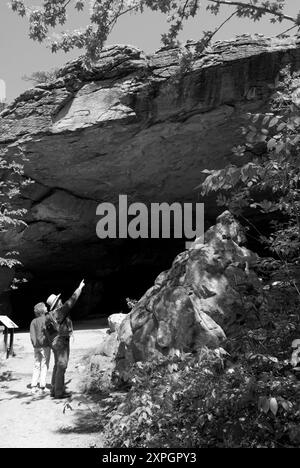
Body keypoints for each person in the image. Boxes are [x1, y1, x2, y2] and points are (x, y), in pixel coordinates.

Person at [45, 279, 85, 399]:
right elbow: (71, 301)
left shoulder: (50, 315)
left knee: (57, 365)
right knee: (62, 366)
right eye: (59, 300)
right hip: (61, 341)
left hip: (54, 342)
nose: (61, 301)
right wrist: (80, 288)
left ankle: (54, 388)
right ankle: (58, 392)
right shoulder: (60, 311)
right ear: (57, 303)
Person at [29, 302, 51, 395]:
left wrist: (34, 344)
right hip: (45, 345)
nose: (46, 307)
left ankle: (33, 386)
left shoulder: (33, 321)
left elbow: (32, 334)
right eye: (45, 307)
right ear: (42, 310)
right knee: (44, 365)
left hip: (36, 347)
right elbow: (47, 332)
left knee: (36, 365)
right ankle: (42, 386)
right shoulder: (46, 319)